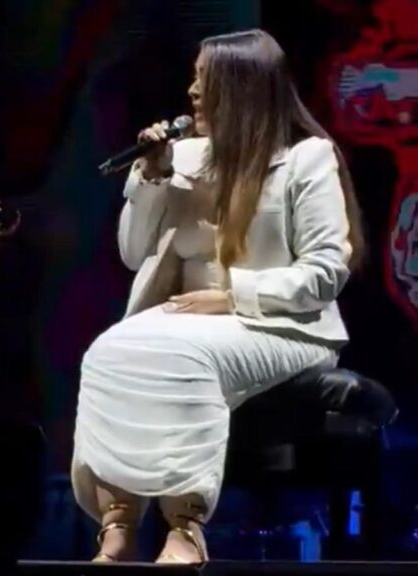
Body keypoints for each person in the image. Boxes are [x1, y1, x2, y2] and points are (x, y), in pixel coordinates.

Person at [71, 29, 364, 564]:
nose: (191, 93)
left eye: (205, 81)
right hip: (182, 316)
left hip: (282, 323)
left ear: (242, 88)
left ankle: (185, 525)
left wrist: (233, 296)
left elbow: (325, 272)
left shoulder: (306, 159)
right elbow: (135, 254)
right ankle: (117, 518)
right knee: (107, 350)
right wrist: (151, 177)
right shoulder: (182, 157)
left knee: (188, 356)